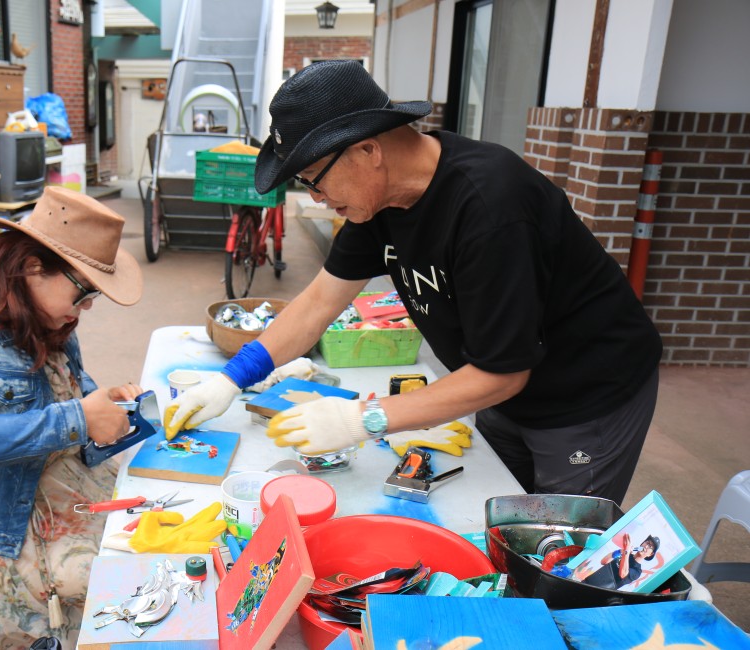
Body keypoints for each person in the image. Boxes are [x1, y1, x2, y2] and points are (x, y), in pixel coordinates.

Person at [165, 60, 662, 505]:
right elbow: (320, 300)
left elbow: (505, 373)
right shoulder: (379, 201)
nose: (316, 198)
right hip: (498, 384)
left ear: (367, 150)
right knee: (497, 507)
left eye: (315, 177)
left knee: (556, 547)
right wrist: (233, 377)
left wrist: (363, 419)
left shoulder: (490, 209)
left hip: (586, 396)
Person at [0, 186, 143, 648]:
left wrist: (109, 406)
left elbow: (74, 402)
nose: (87, 307)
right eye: (84, 291)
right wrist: (78, 417)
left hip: (51, 500)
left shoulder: (56, 320)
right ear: (35, 267)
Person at [581, 533, 660, 589]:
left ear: (650, 554)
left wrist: (626, 552)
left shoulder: (637, 571)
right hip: (587, 582)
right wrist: (620, 551)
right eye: (647, 542)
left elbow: (623, 574)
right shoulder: (626, 554)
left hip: (596, 592)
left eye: (650, 546)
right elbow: (604, 561)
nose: (646, 546)